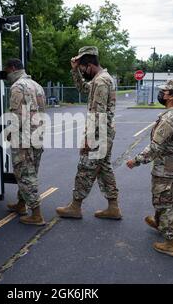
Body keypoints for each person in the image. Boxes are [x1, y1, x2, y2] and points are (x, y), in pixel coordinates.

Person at [127, 79, 173, 257]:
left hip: (167, 170)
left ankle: (170, 243)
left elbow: (156, 147)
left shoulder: (169, 118)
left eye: (164, 91)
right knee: (169, 201)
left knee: (165, 204)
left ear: (172, 96)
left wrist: (136, 160)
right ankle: (159, 223)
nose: (161, 94)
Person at [56, 46, 122, 220]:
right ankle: (113, 207)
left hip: (99, 134)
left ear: (90, 64)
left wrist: (88, 139)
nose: (83, 71)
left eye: (83, 68)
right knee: (104, 169)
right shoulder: (102, 79)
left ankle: (75, 207)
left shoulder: (101, 82)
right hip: (105, 133)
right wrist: (75, 71)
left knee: (85, 168)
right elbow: (83, 89)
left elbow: (98, 114)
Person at [5, 59, 47, 226]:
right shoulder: (37, 85)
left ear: (13, 68)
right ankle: (21, 204)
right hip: (37, 134)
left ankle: (36, 214)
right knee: (31, 171)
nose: (6, 75)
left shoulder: (17, 86)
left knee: (24, 173)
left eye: (6, 71)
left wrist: (9, 132)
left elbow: (17, 115)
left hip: (23, 137)